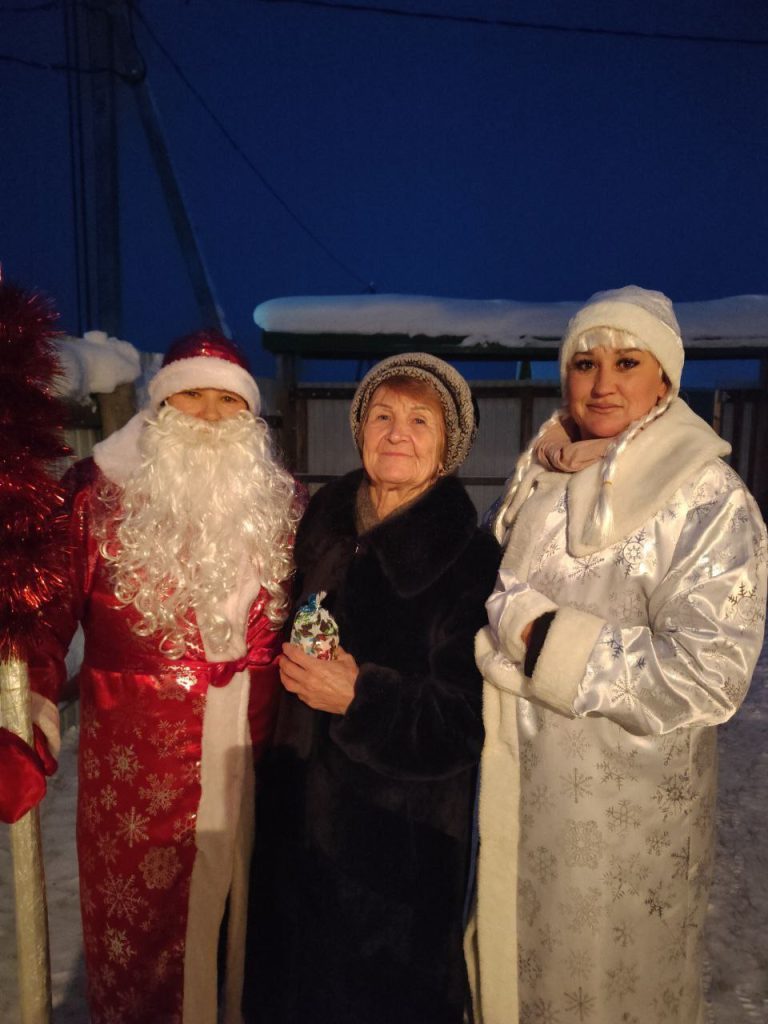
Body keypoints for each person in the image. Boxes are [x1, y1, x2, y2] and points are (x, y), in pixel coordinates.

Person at [467, 286, 768, 1024]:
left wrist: (544, 640)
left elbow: (708, 674)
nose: (603, 383)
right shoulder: (541, 474)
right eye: (585, 363)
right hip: (515, 796)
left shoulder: (705, 497)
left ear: (664, 379)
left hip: (622, 826)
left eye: (627, 362)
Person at [1, 331, 302, 1024]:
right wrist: (30, 708)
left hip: (256, 753)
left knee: (248, 924)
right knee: (145, 935)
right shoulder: (96, 493)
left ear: (250, 415)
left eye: (227, 401)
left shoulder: (283, 501)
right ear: (160, 406)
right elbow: (44, 614)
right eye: (191, 396)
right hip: (140, 766)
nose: (208, 415)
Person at [244, 353, 501, 1024]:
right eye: (382, 416)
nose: (397, 434)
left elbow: (466, 721)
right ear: (359, 429)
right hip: (294, 828)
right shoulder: (322, 527)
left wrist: (363, 700)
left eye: (420, 421)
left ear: (448, 448)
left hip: (393, 853)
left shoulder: (470, 562)